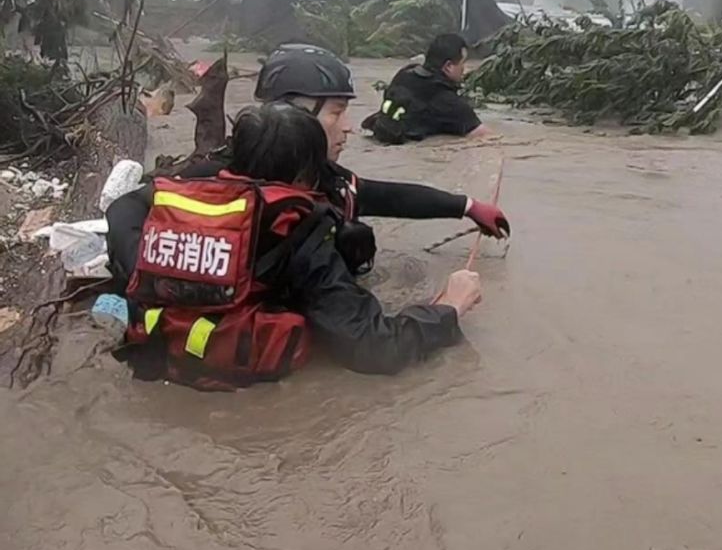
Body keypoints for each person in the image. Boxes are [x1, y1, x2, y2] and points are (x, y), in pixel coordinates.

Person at [119, 104, 482, 390]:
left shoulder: (182, 201)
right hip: (245, 392)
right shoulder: (297, 225)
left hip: (155, 362)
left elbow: (120, 211)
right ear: (307, 173)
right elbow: (374, 348)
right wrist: (450, 307)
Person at [106, 43, 509, 287]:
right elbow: (126, 207)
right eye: (336, 113)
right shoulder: (219, 177)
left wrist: (467, 206)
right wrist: (140, 271)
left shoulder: (325, 181)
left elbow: (382, 195)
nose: (349, 128)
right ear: (292, 112)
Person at [364, 33, 495, 145]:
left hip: (381, 136)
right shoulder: (448, 102)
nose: (465, 69)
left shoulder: (404, 74)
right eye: (463, 63)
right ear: (448, 66)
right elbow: (485, 137)